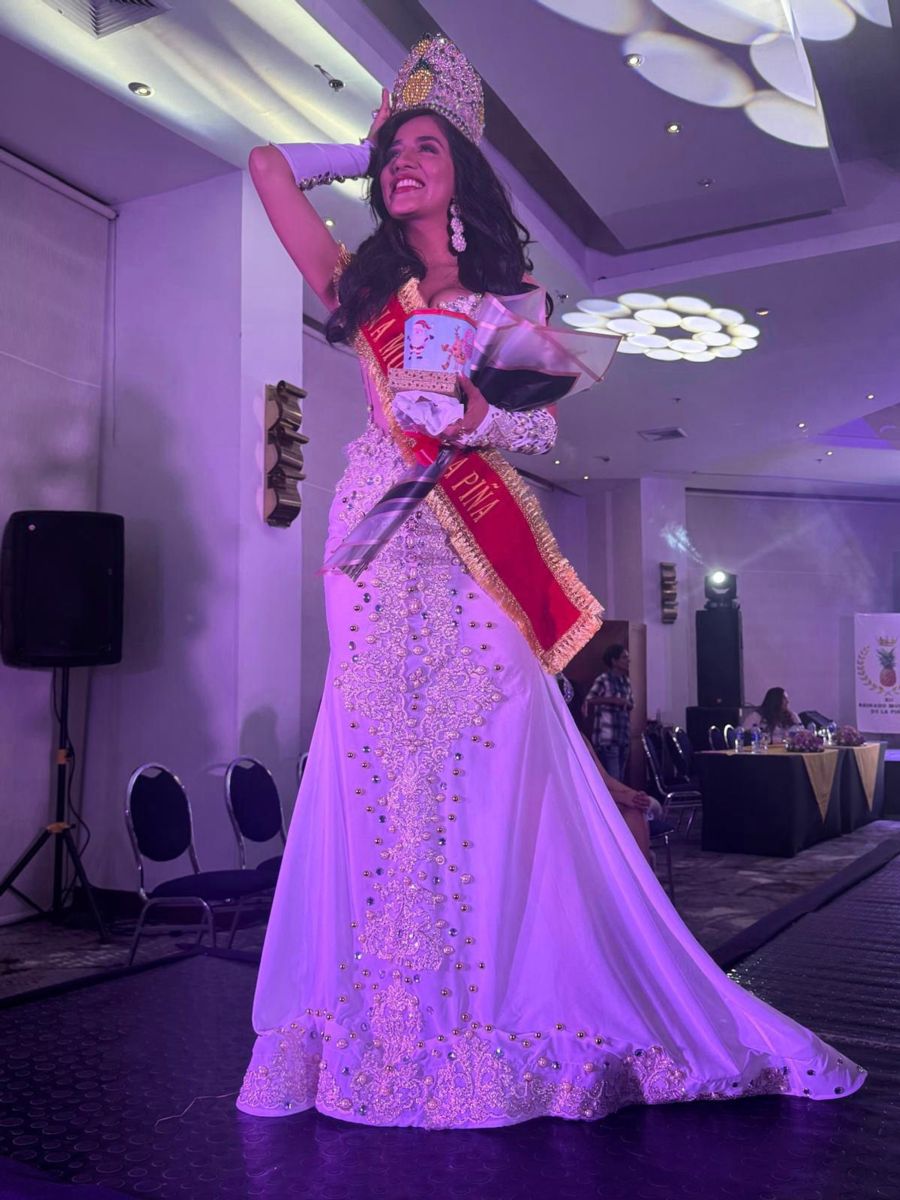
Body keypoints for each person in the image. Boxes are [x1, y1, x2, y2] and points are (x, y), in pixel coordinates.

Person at [237, 35, 863, 1128]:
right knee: (377, 767)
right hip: (375, 545)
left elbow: (539, 422)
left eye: (427, 149)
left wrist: (474, 412)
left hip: (469, 544)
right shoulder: (358, 282)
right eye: (394, 154)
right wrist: (365, 145)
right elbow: (265, 168)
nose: (404, 165)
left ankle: (492, 1006)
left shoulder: (506, 296)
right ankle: (385, 1018)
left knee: (491, 760)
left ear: (465, 173)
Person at [583, 644, 634, 782]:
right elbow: (589, 700)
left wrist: (626, 703)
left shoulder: (626, 681)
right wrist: (612, 700)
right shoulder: (604, 679)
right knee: (613, 780)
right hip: (607, 739)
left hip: (623, 737)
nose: (628, 661)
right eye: (624, 657)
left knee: (620, 780)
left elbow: (631, 704)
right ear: (614, 661)